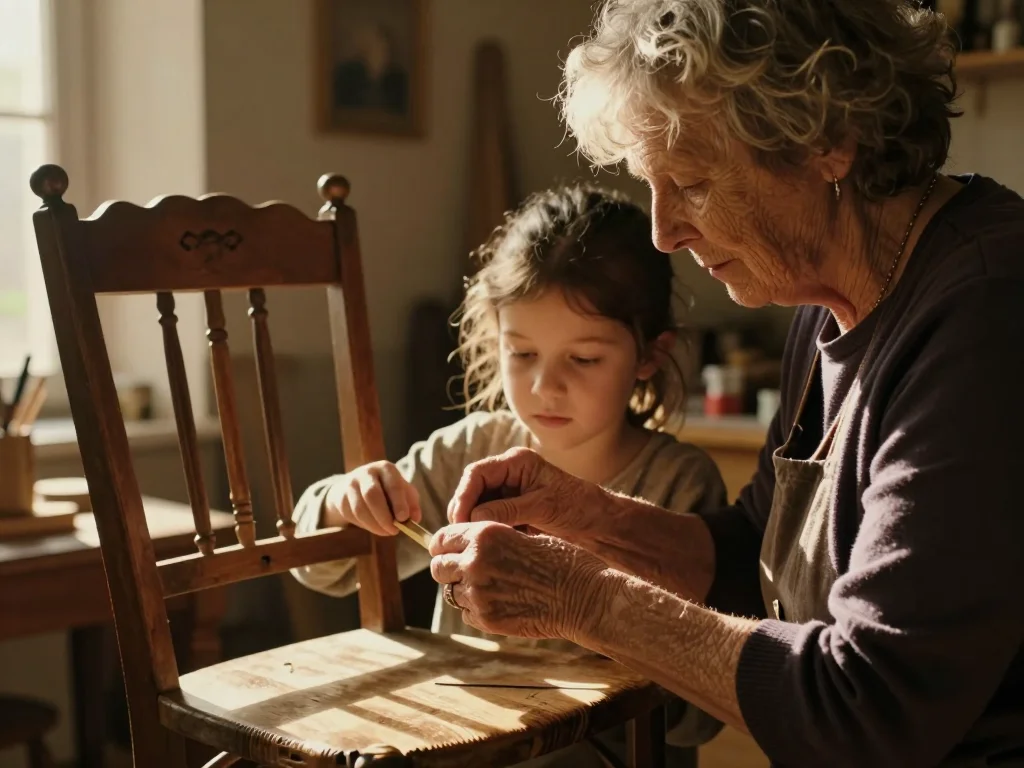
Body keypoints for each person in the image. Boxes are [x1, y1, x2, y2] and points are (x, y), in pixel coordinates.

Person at [428, 2, 1024, 766]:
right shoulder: (824, 299)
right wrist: (588, 517)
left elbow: (872, 708)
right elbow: (750, 561)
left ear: (827, 139)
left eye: (695, 183)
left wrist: (583, 597)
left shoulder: (987, 310)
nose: (663, 231)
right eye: (652, 185)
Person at [291, 184, 728, 766]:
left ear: (650, 354)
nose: (545, 386)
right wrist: (345, 502)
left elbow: (693, 717)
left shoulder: (679, 484)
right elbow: (324, 568)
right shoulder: (473, 450)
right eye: (521, 354)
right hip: (467, 741)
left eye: (585, 359)